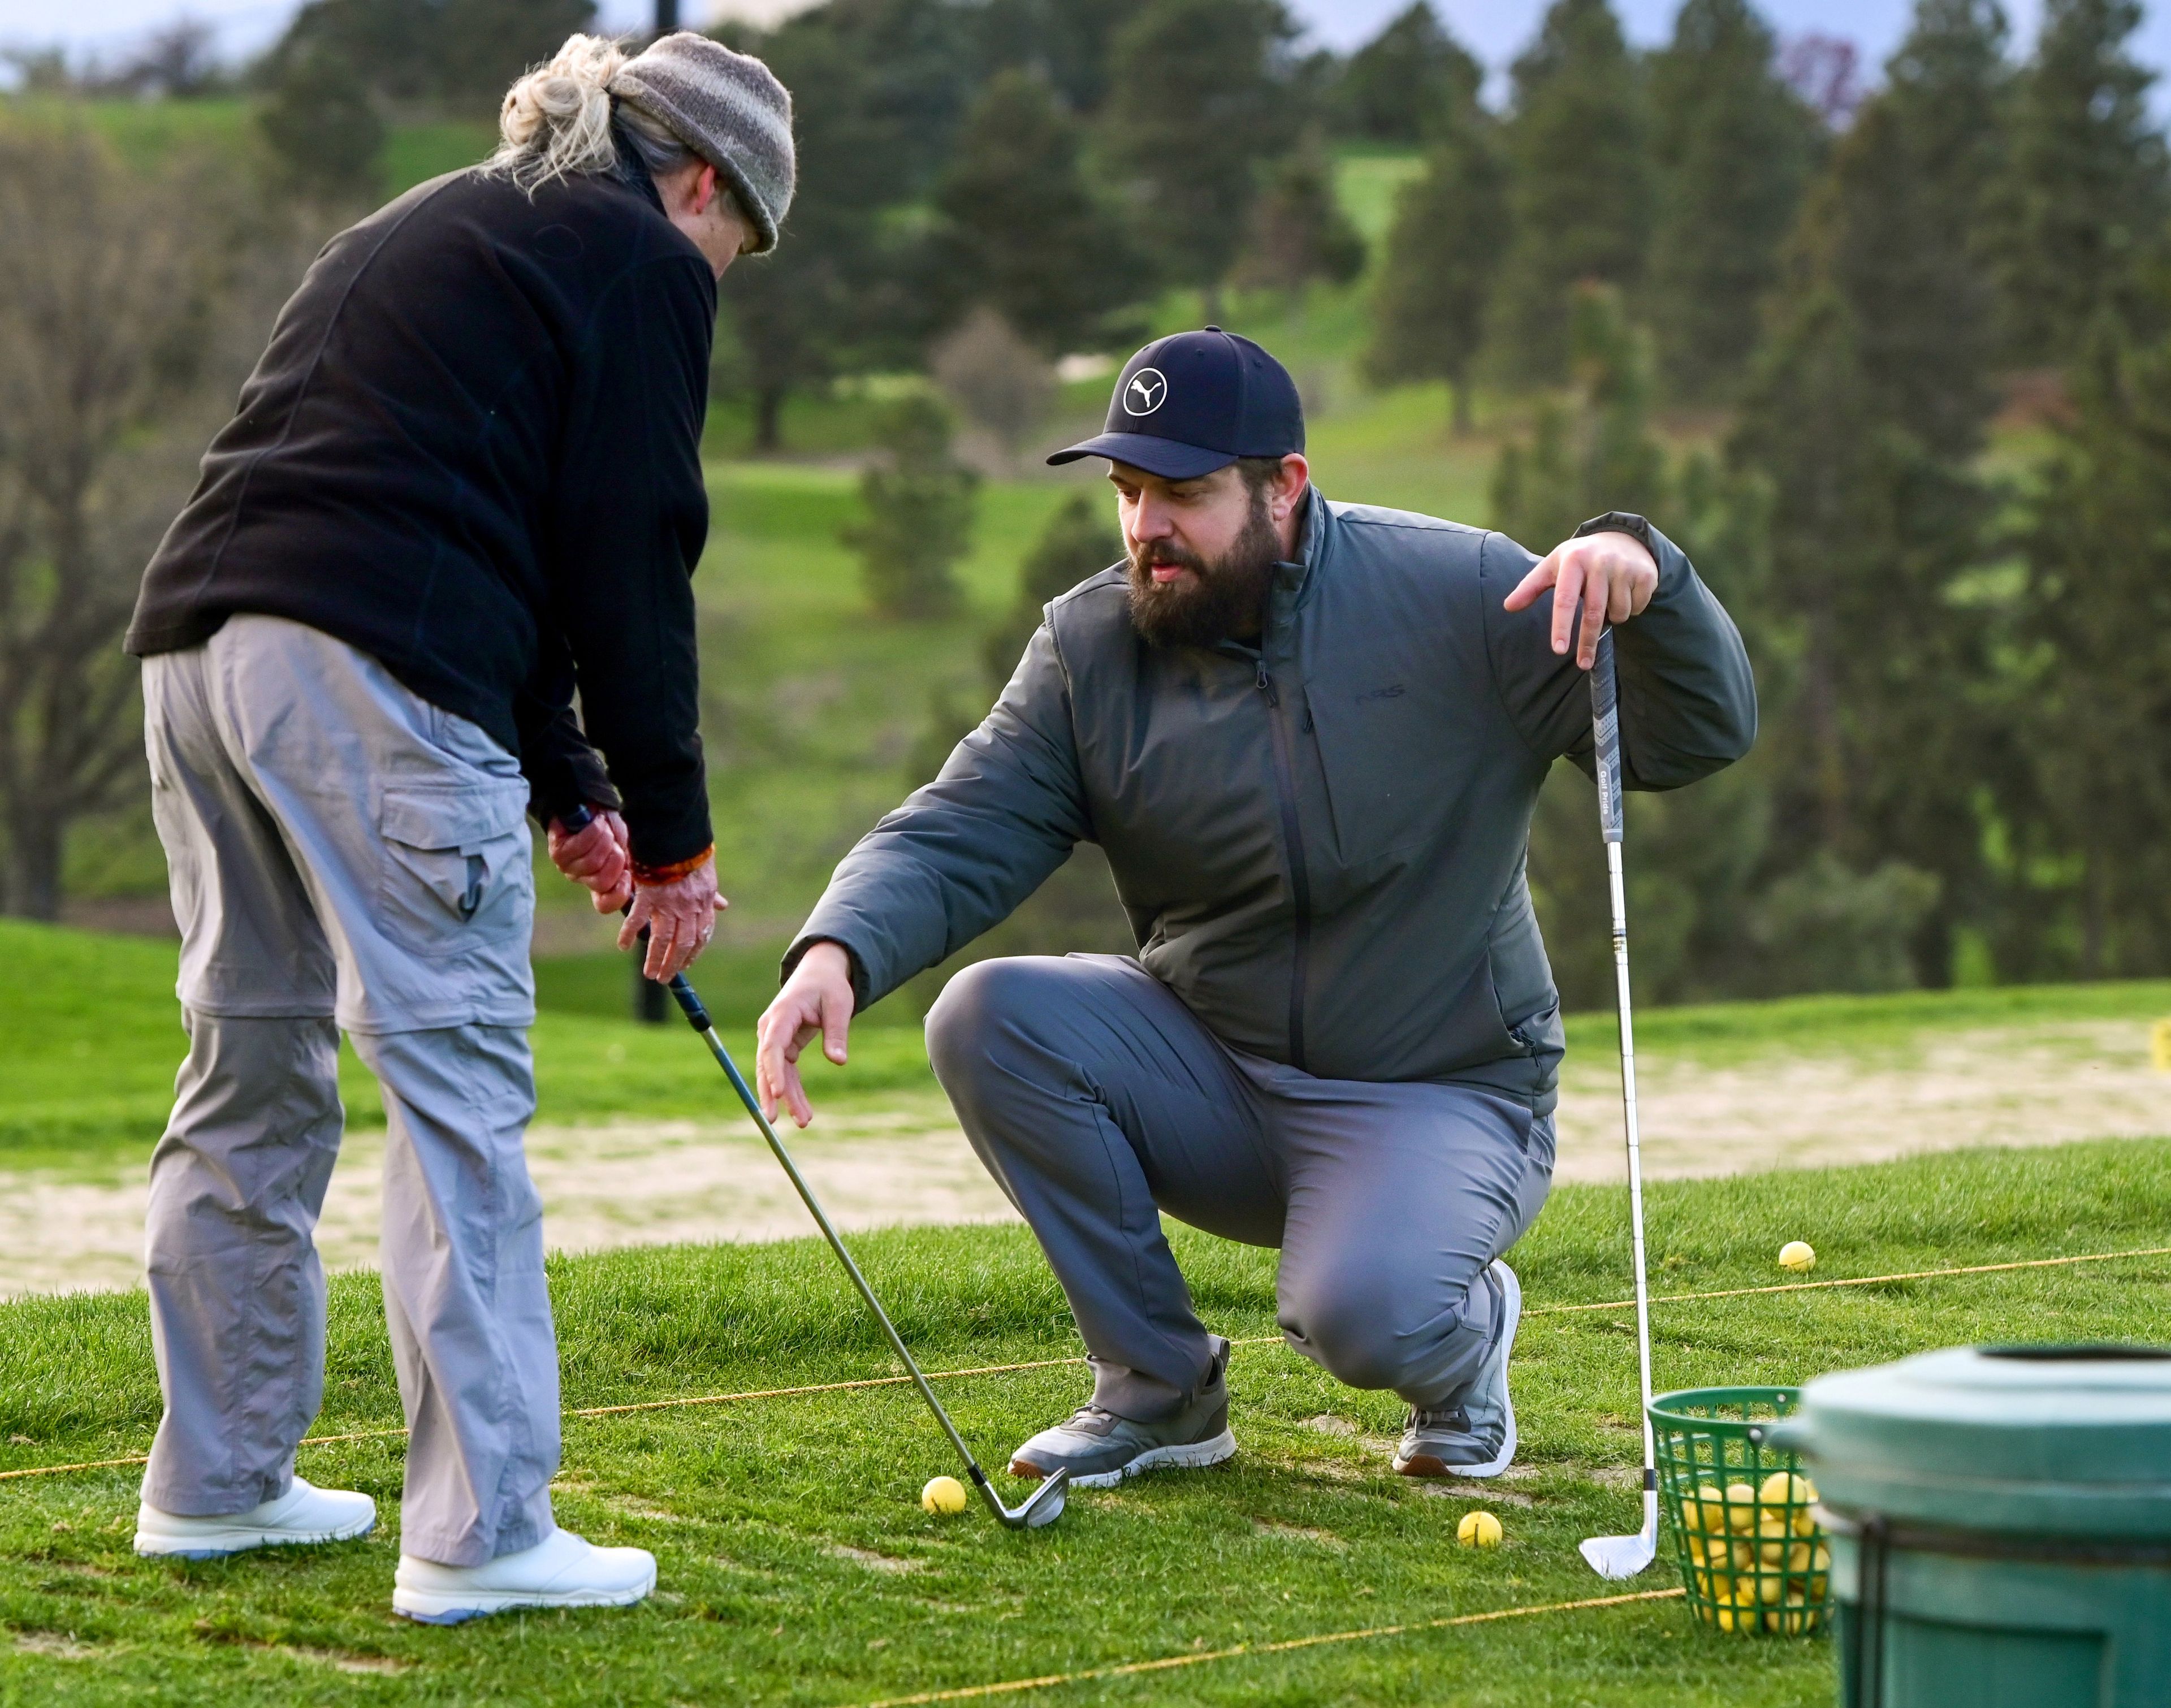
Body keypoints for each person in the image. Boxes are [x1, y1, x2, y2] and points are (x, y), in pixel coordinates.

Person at [756, 329, 1754, 1491]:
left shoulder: (1463, 594)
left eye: (1183, 492)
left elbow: (1698, 735)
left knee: (1365, 1315)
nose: (1144, 527)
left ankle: (1463, 1335)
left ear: (1284, 487)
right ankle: (1159, 1390)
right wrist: (839, 944)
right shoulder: (1090, 646)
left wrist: (1650, 570)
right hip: (1214, 1081)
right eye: (1128, 492)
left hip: (1441, 1086)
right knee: (988, 1016)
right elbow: (962, 821)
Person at [120, 33, 793, 1621]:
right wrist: (681, 843)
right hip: (368, 669)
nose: (722, 271)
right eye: (737, 243)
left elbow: (483, 521)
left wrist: (572, 790)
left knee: (251, 1062)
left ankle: (215, 1485)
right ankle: (484, 1530)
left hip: (202, 661)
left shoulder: (440, 217)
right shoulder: (640, 257)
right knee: (456, 1085)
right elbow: (629, 554)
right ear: (702, 182)